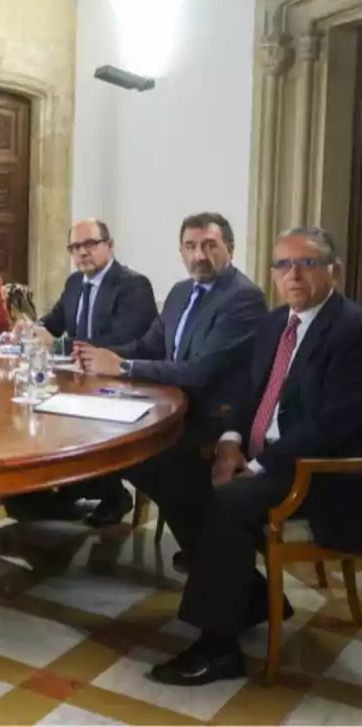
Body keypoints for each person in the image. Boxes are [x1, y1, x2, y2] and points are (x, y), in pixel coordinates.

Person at [149, 227, 362, 686]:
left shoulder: (352, 330)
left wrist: (258, 465)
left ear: (335, 271)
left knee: (229, 500)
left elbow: (331, 427)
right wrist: (229, 442)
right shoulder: (275, 322)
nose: (294, 275)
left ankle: (218, 648)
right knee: (172, 467)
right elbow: (249, 395)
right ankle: (248, 597)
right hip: (263, 456)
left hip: (317, 475)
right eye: (283, 265)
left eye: (307, 263)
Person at [75, 212, 268, 557]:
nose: (199, 255)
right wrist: (98, 357)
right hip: (171, 408)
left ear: (231, 249)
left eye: (210, 245)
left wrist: (123, 366)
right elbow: (148, 345)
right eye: (191, 246)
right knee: (105, 437)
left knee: (143, 456)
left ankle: (213, 553)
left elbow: (200, 371)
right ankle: (204, 544)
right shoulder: (181, 293)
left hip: (213, 418)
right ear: (180, 251)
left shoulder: (243, 298)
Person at [38, 219, 158, 526]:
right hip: (77, 381)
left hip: (121, 382)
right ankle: (67, 485)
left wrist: (60, 345)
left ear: (110, 245)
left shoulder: (133, 285)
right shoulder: (75, 283)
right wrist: (32, 329)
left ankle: (112, 493)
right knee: (37, 416)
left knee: (83, 426)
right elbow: (52, 322)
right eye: (75, 247)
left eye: (90, 244)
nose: (82, 253)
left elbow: (121, 342)